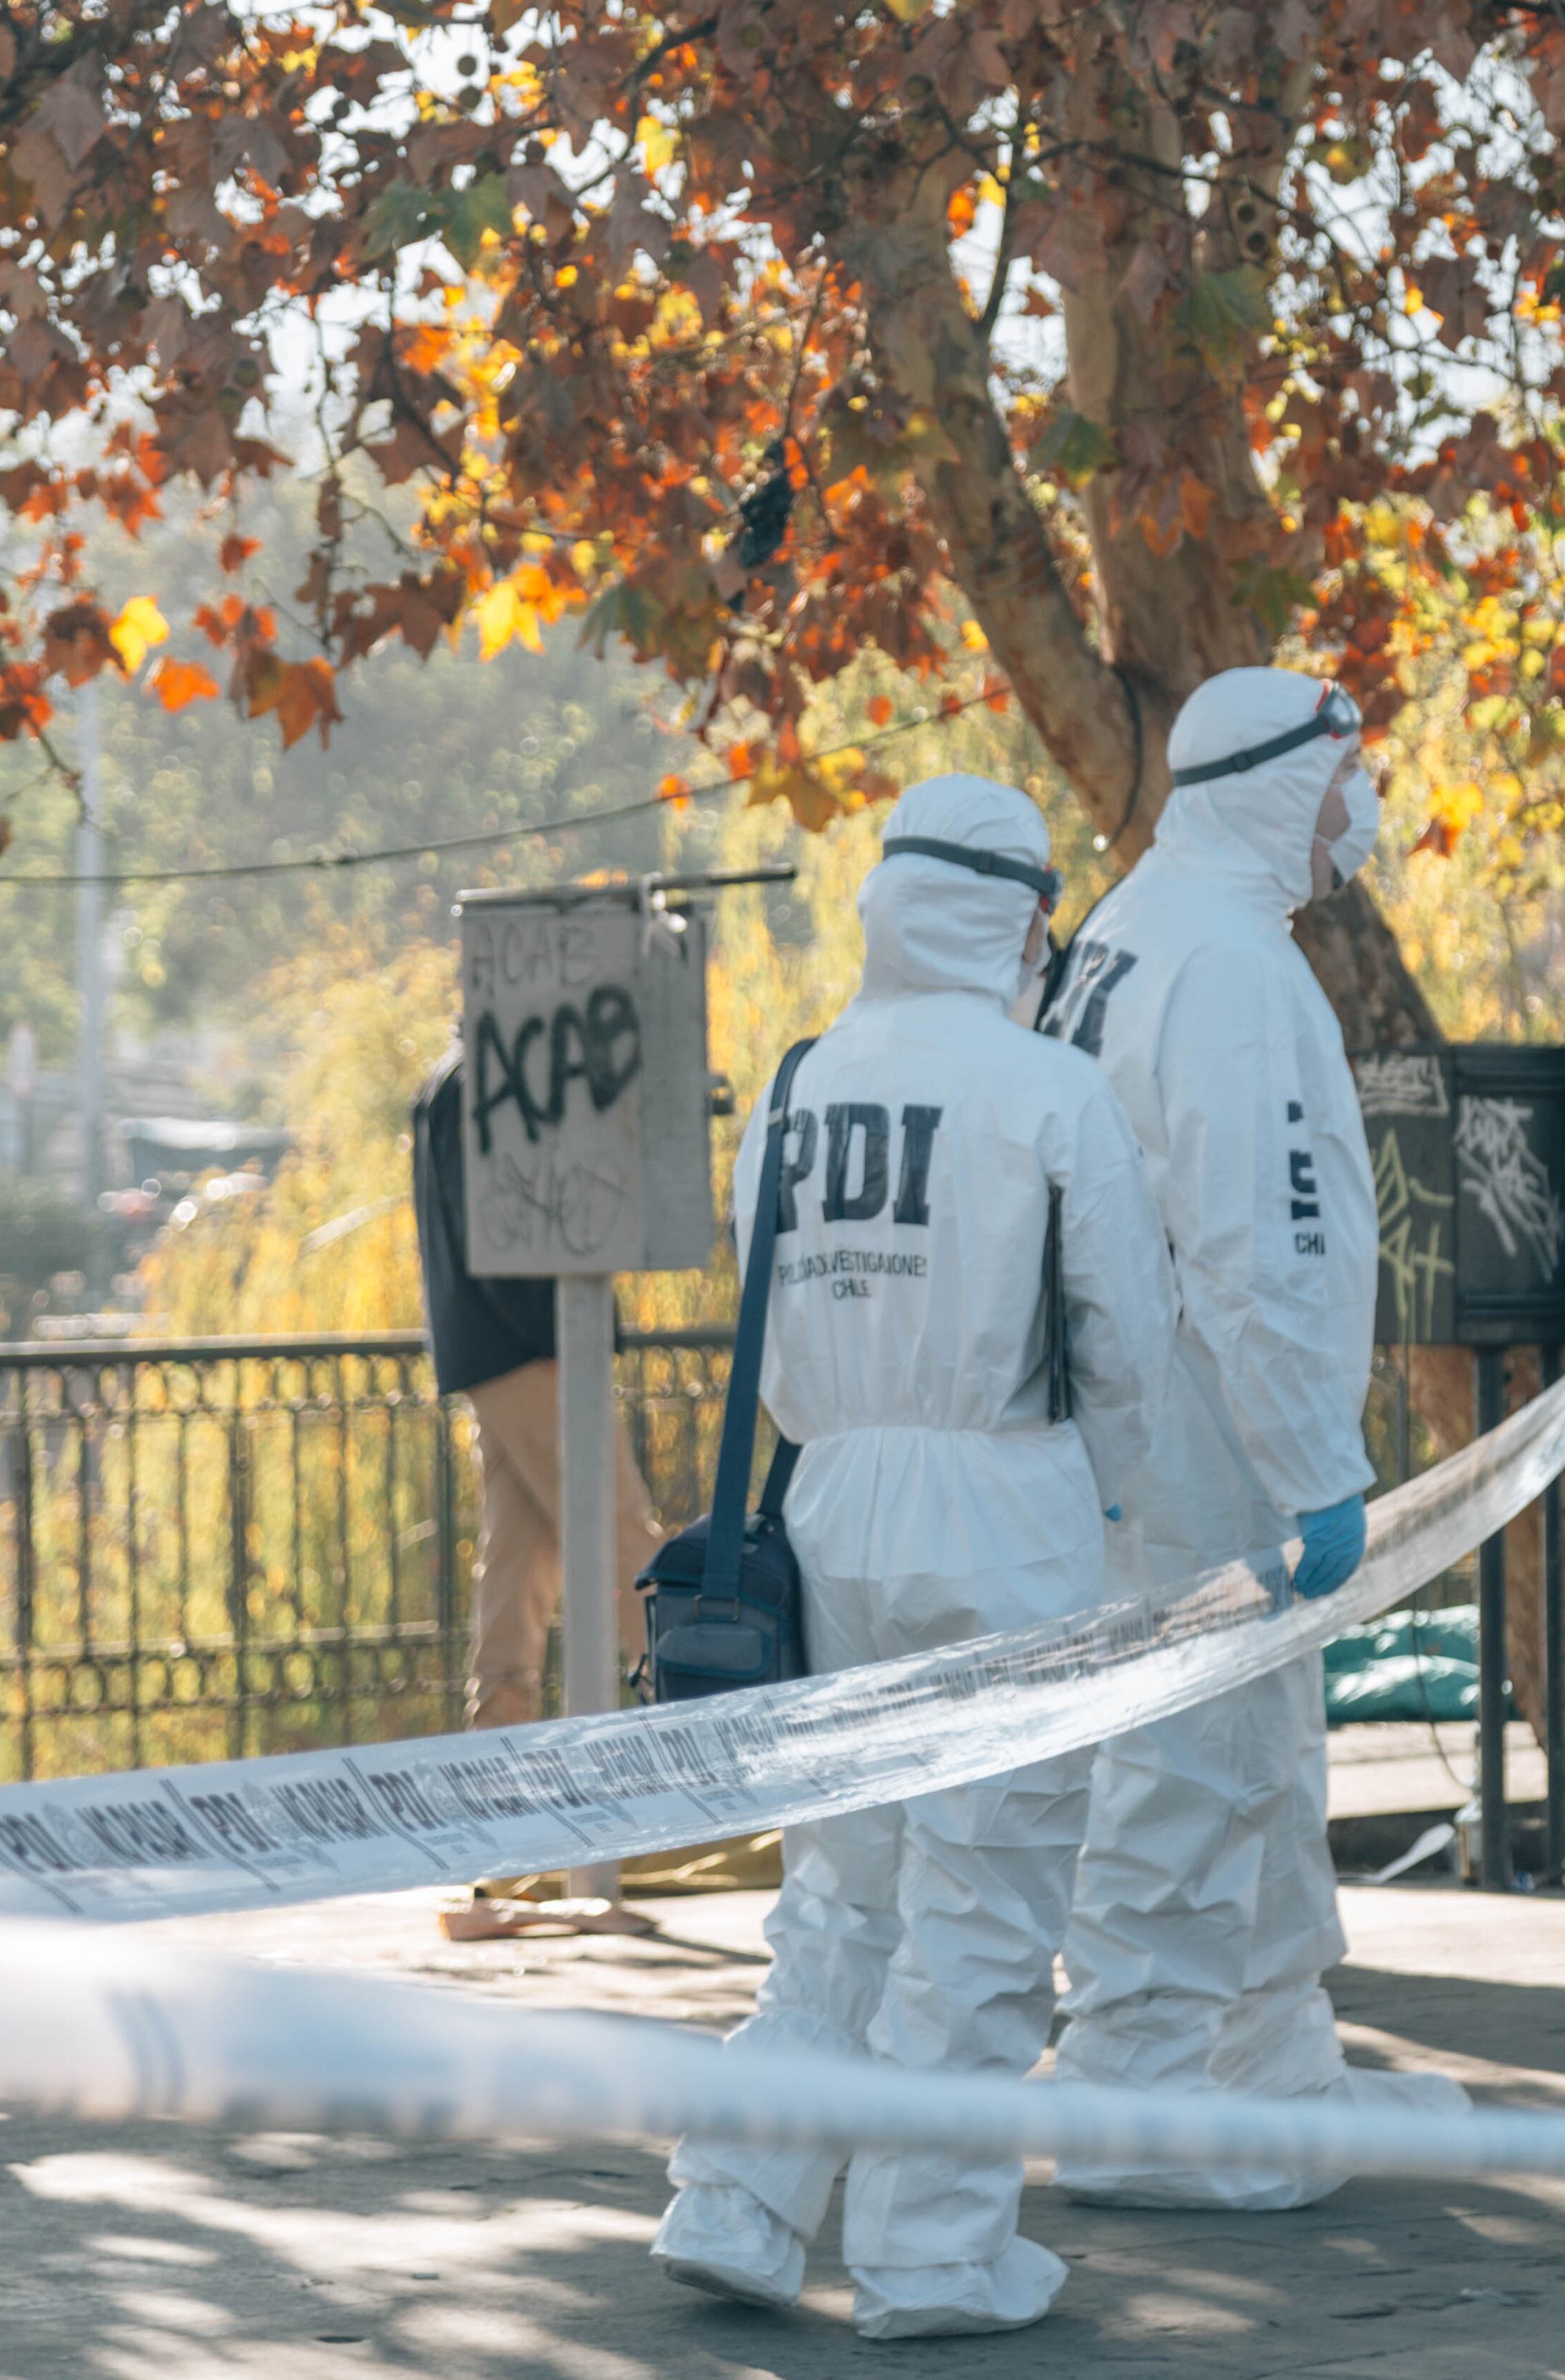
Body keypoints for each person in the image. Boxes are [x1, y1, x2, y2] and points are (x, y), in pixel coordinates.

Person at [651, 774, 1175, 2339]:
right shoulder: (1047, 1089)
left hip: (829, 1514)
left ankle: (736, 2202)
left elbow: (768, 1310)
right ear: (1015, 915)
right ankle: (929, 2253)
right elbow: (1122, 1343)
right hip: (1002, 1511)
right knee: (986, 1900)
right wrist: (1138, 1518)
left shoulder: (802, 1081)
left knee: (840, 1890)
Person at [1038, 665, 1469, 2207]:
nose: (1365, 814)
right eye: (1352, 780)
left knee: (1257, 1753)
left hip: (1149, 1426)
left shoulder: (1137, 928)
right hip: (1206, 1433)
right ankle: (1132, 2102)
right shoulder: (1225, 961)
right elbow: (1258, 1241)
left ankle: (1275, 2066)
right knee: (1193, 1760)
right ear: (1289, 784)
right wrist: (1312, 1465)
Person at [408, 1052, 659, 1729]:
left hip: (494, 1349)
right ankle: (679, 1694)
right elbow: (498, 1224)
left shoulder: (453, 1078)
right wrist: (552, 1339)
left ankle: (499, 1725)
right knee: (618, 1523)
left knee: (519, 1552)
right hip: (530, 1348)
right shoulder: (483, 1081)